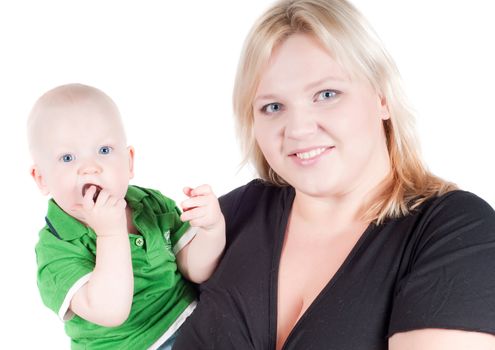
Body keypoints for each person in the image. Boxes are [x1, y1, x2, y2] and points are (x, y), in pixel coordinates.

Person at [173, 0, 495, 349]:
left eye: (326, 95)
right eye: (273, 107)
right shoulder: (230, 217)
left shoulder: (455, 232)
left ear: (382, 97)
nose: (297, 129)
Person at [27, 83, 225, 349]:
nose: (89, 168)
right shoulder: (56, 248)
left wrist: (212, 228)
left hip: (190, 320)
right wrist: (111, 232)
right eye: (67, 158)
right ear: (42, 179)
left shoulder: (148, 203)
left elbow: (195, 270)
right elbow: (111, 310)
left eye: (104, 151)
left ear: (129, 162)